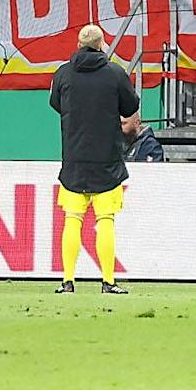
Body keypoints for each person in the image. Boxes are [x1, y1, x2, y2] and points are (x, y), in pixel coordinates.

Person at [49, 23, 140, 294]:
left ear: (78, 44)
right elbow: (131, 106)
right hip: (107, 158)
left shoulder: (63, 73)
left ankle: (68, 281)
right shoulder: (114, 73)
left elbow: (55, 103)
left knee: (72, 219)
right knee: (106, 220)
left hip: (74, 157)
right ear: (103, 45)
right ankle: (108, 281)